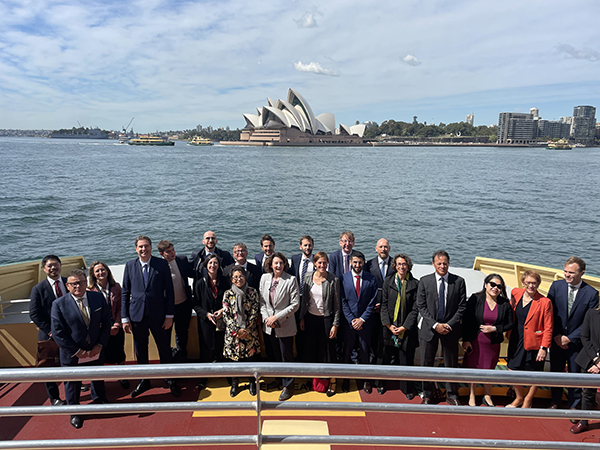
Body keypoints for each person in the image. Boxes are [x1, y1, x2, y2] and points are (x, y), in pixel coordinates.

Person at [51, 269, 111, 429]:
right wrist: (77, 351)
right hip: (73, 354)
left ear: (87, 282)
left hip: (95, 350)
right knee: (72, 384)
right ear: (67, 286)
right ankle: (75, 412)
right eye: (74, 283)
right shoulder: (58, 304)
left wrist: (100, 344)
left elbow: (106, 322)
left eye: (81, 282)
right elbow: (58, 333)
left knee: (97, 377)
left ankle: (100, 400)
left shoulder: (97, 297)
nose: (78, 286)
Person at [121, 235, 180, 398]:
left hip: (159, 315)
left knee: (164, 348)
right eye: (140, 246)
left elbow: (169, 291)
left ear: (151, 247)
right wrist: (124, 317)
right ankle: (144, 380)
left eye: (146, 246)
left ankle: (170, 379)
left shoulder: (161, 264)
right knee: (141, 349)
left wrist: (169, 315)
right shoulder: (130, 266)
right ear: (136, 249)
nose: (143, 249)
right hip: (137, 316)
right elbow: (125, 292)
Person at [416, 250, 467, 406]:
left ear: (448, 264)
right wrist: (435, 325)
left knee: (451, 363)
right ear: (433, 264)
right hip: (429, 328)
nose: (442, 266)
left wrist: (449, 324)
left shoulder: (458, 282)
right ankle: (428, 394)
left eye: (445, 263)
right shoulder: (424, 281)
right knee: (427, 363)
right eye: (439, 263)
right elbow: (421, 306)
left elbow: (462, 306)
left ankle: (452, 394)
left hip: (450, 329)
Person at [548, 257, 599, 410]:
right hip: (556, 339)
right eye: (565, 272)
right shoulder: (556, 287)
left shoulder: (591, 294)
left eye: (571, 273)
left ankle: (574, 404)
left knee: (574, 373)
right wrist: (557, 336)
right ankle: (555, 401)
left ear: (582, 273)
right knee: (555, 371)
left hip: (576, 342)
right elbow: (550, 313)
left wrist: (569, 338)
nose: (567, 275)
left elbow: (588, 321)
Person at [462, 274, 513, 407]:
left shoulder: (504, 303)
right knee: (473, 368)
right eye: (492, 284)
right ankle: (472, 395)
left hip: (492, 344)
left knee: (489, 369)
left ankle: (487, 395)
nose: (495, 288)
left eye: (499, 286)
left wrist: (495, 328)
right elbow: (467, 320)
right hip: (475, 342)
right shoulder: (476, 299)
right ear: (485, 285)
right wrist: (466, 340)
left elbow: (509, 324)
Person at [506, 270, 553, 408]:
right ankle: (519, 397)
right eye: (528, 282)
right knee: (512, 369)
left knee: (534, 372)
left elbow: (548, 327)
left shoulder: (545, 302)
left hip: (535, 342)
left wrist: (543, 348)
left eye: (534, 283)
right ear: (523, 282)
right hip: (516, 337)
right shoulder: (515, 293)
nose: (531, 286)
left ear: (538, 284)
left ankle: (528, 399)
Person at [376, 254, 420, 398]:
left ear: (408, 266)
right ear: (395, 265)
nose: (401, 267)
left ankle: (406, 388)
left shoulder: (415, 284)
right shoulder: (388, 281)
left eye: (404, 264)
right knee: (384, 358)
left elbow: (415, 309)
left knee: (406, 359)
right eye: (399, 264)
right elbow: (383, 304)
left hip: (406, 329)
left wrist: (405, 327)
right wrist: (388, 325)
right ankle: (381, 383)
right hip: (389, 327)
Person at [299, 251, 341, 396]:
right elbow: (304, 300)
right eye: (319, 262)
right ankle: (314, 380)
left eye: (324, 262)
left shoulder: (333, 280)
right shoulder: (307, 278)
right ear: (315, 264)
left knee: (328, 352)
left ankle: (332, 381)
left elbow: (337, 305)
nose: (322, 265)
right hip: (310, 319)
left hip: (327, 319)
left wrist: (335, 324)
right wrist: (302, 318)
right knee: (312, 350)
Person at [259, 252, 300, 401]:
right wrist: (266, 319)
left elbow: (295, 304)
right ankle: (278, 380)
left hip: (285, 325)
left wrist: (276, 317)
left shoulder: (291, 280)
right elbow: (262, 302)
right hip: (269, 325)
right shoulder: (264, 278)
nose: (278, 266)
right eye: (276, 263)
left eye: (281, 263)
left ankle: (288, 385)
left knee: (286, 356)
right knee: (274, 355)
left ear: (285, 265)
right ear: (270, 264)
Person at [29, 254, 67, 406]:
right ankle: (54, 397)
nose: (53, 268)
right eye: (49, 266)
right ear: (44, 269)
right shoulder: (38, 289)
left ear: (60, 266)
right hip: (49, 335)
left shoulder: (68, 283)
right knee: (49, 367)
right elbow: (34, 313)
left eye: (55, 264)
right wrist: (51, 330)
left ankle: (75, 383)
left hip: (69, 333)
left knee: (71, 362)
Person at [340, 251, 378, 394]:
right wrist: (351, 320)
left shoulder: (371, 279)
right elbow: (343, 301)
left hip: (365, 323)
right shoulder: (343, 278)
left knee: (365, 352)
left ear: (364, 263)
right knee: (347, 353)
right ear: (350, 262)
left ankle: (366, 380)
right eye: (355, 262)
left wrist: (362, 319)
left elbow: (372, 302)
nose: (357, 265)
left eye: (360, 262)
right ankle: (345, 380)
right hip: (348, 324)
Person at [87, 261, 129, 389]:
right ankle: (99, 381)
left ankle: (122, 377)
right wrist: (103, 328)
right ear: (93, 275)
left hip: (115, 327)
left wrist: (117, 324)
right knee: (99, 355)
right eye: (97, 271)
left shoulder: (116, 287)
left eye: (103, 269)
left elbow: (122, 307)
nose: (101, 273)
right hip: (99, 330)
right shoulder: (89, 291)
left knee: (119, 353)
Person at [222, 266, 261, 397]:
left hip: (249, 332)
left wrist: (246, 329)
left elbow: (255, 312)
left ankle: (251, 382)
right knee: (234, 360)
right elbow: (226, 314)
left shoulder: (252, 292)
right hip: (233, 334)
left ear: (245, 277)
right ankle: (235, 383)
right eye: (235, 277)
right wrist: (236, 330)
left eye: (241, 276)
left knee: (251, 359)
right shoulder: (228, 294)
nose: (239, 279)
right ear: (232, 280)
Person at [193, 253, 228, 390]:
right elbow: (195, 304)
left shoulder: (225, 282)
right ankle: (204, 376)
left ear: (219, 266)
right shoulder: (199, 283)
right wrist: (206, 314)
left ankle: (228, 374)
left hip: (222, 320)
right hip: (205, 322)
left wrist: (222, 311)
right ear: (206, 266)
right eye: (210, 263)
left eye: (215, 263)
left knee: (224, 347)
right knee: (205, 349)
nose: (213, 265)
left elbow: (229, 300)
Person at [158, 240, 194, 362]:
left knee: (182, 335)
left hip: (183, 304)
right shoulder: (159, 266)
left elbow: (193, 273)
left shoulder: (182, 260)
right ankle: (168, 362)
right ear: (161, 254)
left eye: (173, 250)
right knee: (166, 337)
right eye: (168, 252)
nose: (172, 253)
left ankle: (182, 358)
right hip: (167, 309)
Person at [365, 238, 394, 387]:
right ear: (376, 248)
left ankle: (381, 380)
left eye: (386, 247)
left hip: (389, 312)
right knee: (370, 344)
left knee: (384, 346)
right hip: (372, 310)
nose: (383, 249)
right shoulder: (368, 265)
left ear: (389, 248)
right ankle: (369, 380)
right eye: (380, 247)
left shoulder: (396, 264)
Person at [570, 306, 600, 434]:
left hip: (596, 363)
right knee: (587, 393)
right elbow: (584, 337)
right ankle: (584, 421)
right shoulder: (592, 313)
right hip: (590, 359)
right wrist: (597, 360)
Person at [290, 235, 315, 362]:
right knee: (298, 332)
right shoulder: (295, 259)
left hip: (311, 301)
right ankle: (300, 359)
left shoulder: (316, 260)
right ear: (300, 246)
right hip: (297, 299)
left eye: (310, 245)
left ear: (313, 246)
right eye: (305, 245)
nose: (307, 247)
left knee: (309, 331)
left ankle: (310, 358)